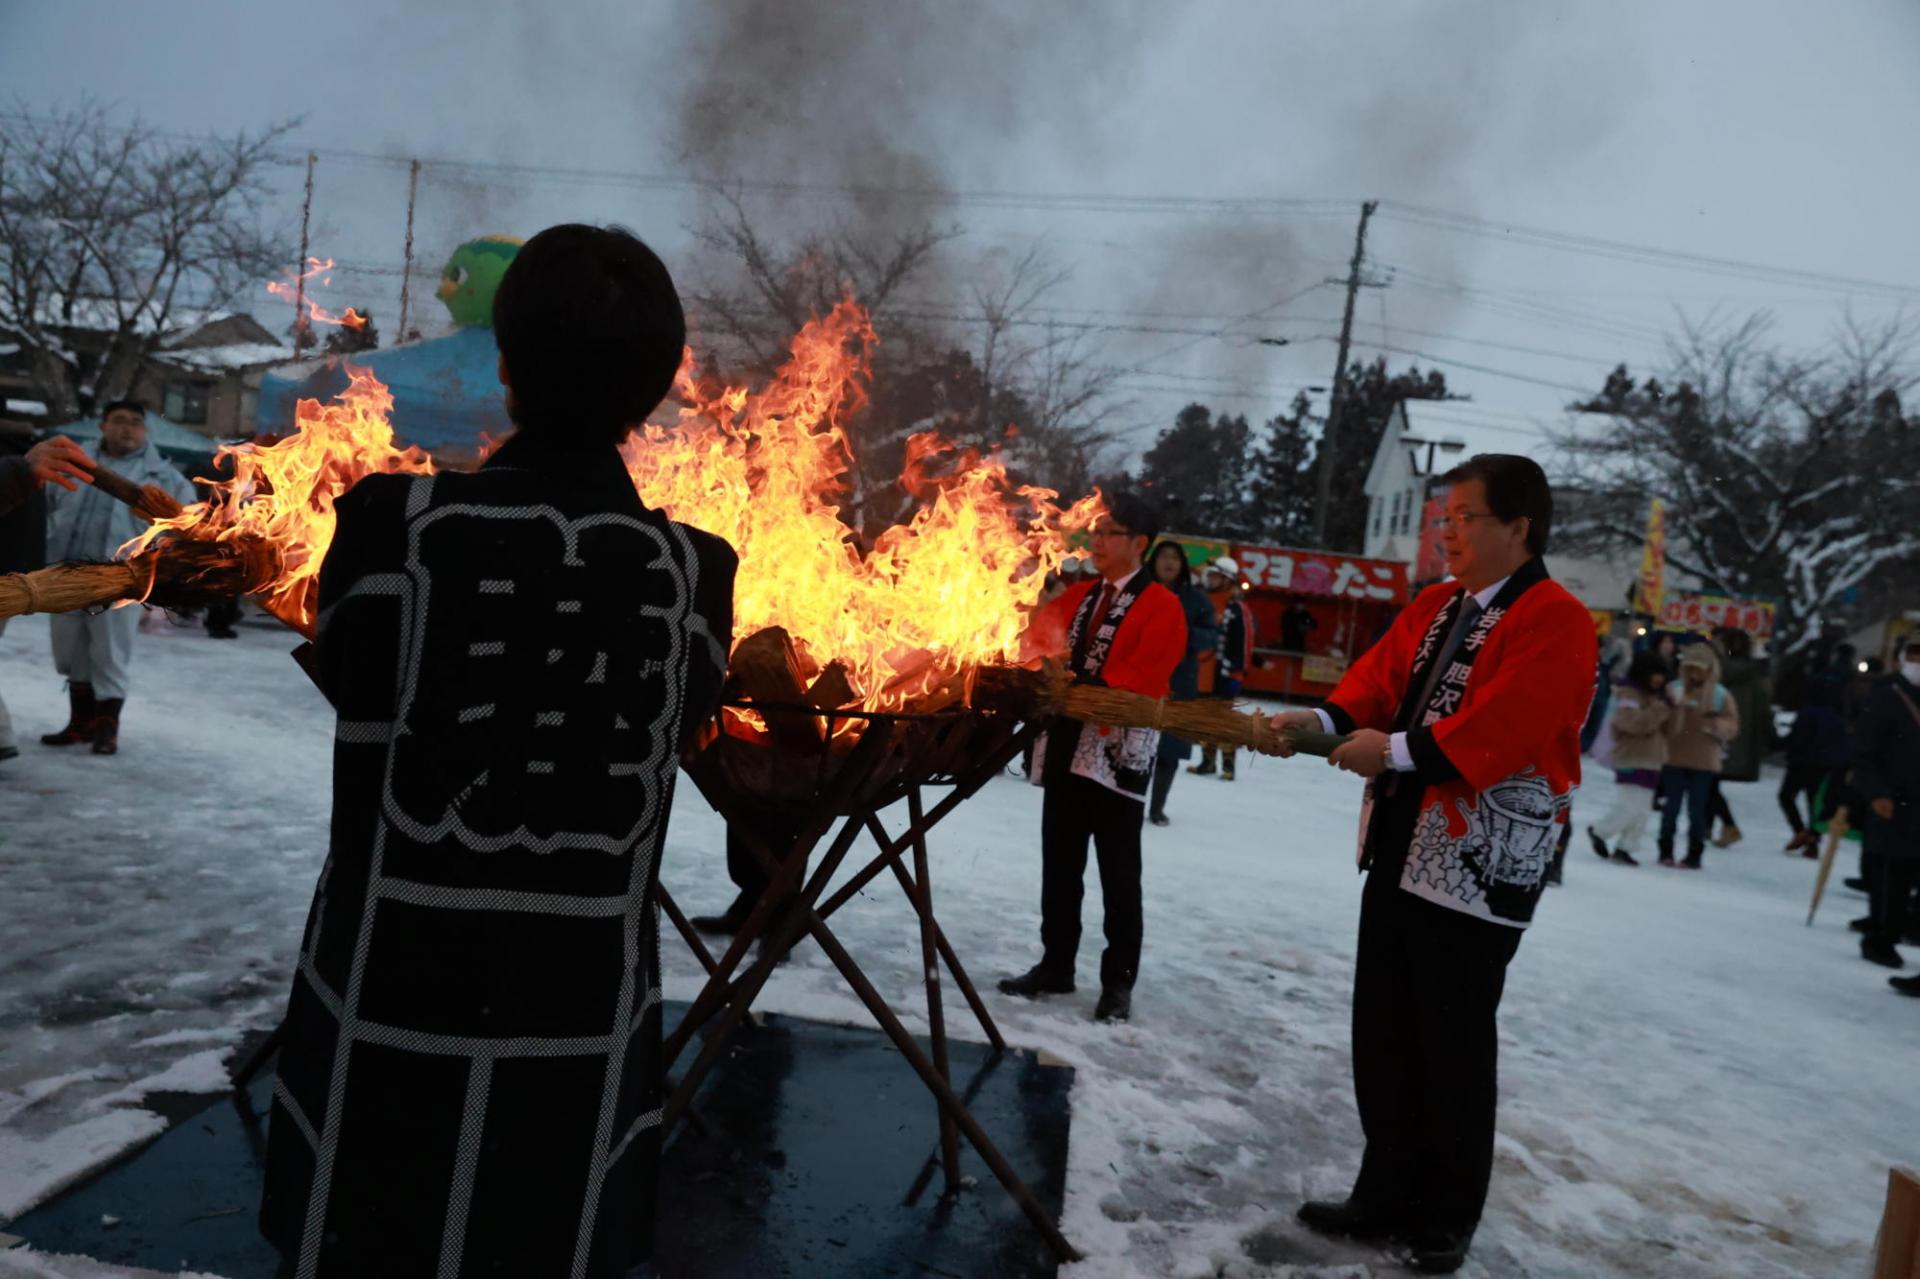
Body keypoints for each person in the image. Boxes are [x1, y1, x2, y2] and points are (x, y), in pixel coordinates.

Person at [258, 224, 737, 1279]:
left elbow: (345, 668)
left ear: (505, 364)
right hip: (575, 1049)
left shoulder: (388, 525)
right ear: (653, 395)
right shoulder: (698, 574)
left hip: (385, 1021)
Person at [1266, 454, 1594, 1274]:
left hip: (1477, 858)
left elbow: (1511, 722)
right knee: (1382, 1024)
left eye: (1464, 518)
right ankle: (1383, 1191)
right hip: (1403, 840)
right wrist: (1315, 719)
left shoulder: (1556, 617)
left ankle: (1445, 1213)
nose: (1445, 532)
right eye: (1440, 518)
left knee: (1450, 1035)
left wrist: (1397, 748)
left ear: (1519, 525)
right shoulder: (1437, 606)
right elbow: (1374, 683)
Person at [998, 492, 1185, 1025]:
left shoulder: (1161, 604)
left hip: (1115, 750)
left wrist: (1080, 686)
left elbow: (1147, 673)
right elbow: (1037, 639)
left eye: (1110, 533)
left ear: (1139, 545)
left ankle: (1118, 982)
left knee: (1118, 872)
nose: (1097, 540)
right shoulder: (1081, 595)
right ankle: (1056, 963)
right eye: (1097, 531)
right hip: (1066, 742)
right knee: (1060, 862)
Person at [38, 401, 195, 756]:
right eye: (119, 421)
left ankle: (107, 728)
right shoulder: (75, 467)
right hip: (64, 575)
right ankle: (80, 724)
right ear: (103, 426)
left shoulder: (165, 478)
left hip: (120, 583)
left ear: (146, 431)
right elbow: (44, 507)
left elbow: (186, 527)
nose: (127, 429)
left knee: (109, 655)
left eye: (136, 423)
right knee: (69, 655)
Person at [0, 432, 98, 764]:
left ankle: (101, 725)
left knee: (107, 657)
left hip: (18, 578)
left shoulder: (24, 453)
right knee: (70, 656)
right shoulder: (25, 450)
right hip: (39, 574)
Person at [1854, 636, 1920, 976]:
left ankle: (1904, 926)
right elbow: (1864, 751)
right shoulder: (1886, 695)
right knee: (1891, 873)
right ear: (1900, 658)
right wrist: (1877, 792)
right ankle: (1882, 937)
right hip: (1893, 801)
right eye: (1914, 654)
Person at [1145, 539, 1217, 827]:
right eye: (1164, 556)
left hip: (1180, 684)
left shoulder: (1197, 600)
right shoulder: (1140, 592)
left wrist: (1181, 632)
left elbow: (1210, 636)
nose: (1169, 562)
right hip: (1140, 681)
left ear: (1183, 565)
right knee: (1133, 747)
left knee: (1168, 751)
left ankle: (1157, 807)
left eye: (1175, 557)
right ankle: (1127, 801)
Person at [1655, 645, 1739, 869]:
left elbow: (1732, 725)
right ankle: (1665, 849)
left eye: (1699, 670)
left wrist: (1713, 725)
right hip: (1673, 757)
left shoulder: (1720, 695)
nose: (1694, 675)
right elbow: (1659, 718)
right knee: (1670, 808)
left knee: (1697, 811)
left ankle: (1694, 854)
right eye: (1689, 669)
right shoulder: (1674, 689)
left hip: (1704, 761)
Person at [1586, 651, 1673, 866]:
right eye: (1655, 674)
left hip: (1653, 758)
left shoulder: (1660, 698)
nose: (1659, 679)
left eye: (1662, 675)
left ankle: (1626, 847)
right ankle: (1600, 831)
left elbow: (1669, 729)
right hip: (1631, 757)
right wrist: (1660, 709)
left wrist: (1671, 708)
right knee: (1629, 805)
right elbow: (1634, 724)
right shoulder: (1629, 695)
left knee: (1643, 810)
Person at [1188, 556, 1254, 780]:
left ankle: (1228, 765)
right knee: (1205, 719)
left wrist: (1238, 672)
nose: (1210, 579)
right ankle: (1207, 762)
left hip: (1225, 673)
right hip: (1202, 672)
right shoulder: (1203, 600)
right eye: (1210, 575)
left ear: (1227, 580)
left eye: (1216, 576)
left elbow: (1244, 642)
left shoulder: (1236, 608)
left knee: (1223, 720)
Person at [1704, 626, 1769, 848]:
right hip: (1738, 737)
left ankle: (1727, 826)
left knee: (1708, 780)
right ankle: (1708, 826)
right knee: (1710, 780)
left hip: (1723, 733)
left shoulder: (1723, 670)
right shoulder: (1754, 674)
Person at [1779, 664, 1851, 856]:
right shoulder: (1837, 716)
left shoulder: (1807, 712)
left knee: (1786, 796)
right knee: (1814, 801)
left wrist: (1784, 747)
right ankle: (1812, 838)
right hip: (1825, 765)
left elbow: (1797, 739)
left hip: (1801, 762)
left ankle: (1800, 831)